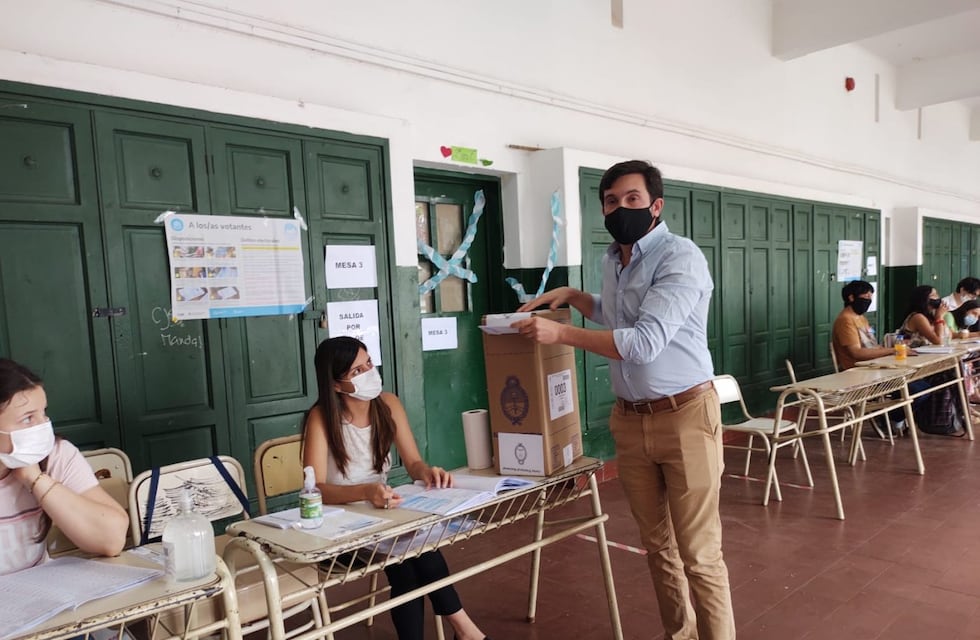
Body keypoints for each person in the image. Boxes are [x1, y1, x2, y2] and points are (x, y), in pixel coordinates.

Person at [512, 160, 735, 639]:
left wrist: (561, 333)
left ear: (655, 206)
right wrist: (575, 296)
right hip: (631, 421)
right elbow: (614, 313)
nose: (620, 208)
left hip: (686, 416)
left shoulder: (681, 256)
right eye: (611, 201)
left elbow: (643, 341)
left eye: (632, 199)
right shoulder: (613, 258)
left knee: (699, 553)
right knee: (657, 547)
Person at [302, 337, 489, 640]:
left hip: (383, 513)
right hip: (340, 525)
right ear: (336, 385)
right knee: (411, 557)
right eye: (355, 372)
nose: (367, 373)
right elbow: (316, 489)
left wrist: (427, 472)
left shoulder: (388, 404)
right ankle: (467, 631)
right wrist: (366, 491)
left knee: (411, 556)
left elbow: (413, 462)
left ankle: (466, 632)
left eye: (368, 364)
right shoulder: (322, 417)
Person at [0, 358, 129, 575]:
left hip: (37, 595)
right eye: (28, 418)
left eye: (43, 413)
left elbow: (111, 538)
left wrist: (36, 479)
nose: (43, 426)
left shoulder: (56, 454)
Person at [831, 280, 895, 370]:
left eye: (870, 297)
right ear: (852, 298)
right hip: (857, 370)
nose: (868, 301)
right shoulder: (845, 320)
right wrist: (893, 350)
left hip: (873, 365)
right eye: (866, 297)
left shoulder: (861, 318)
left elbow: (872, 345)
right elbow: (857, 353)